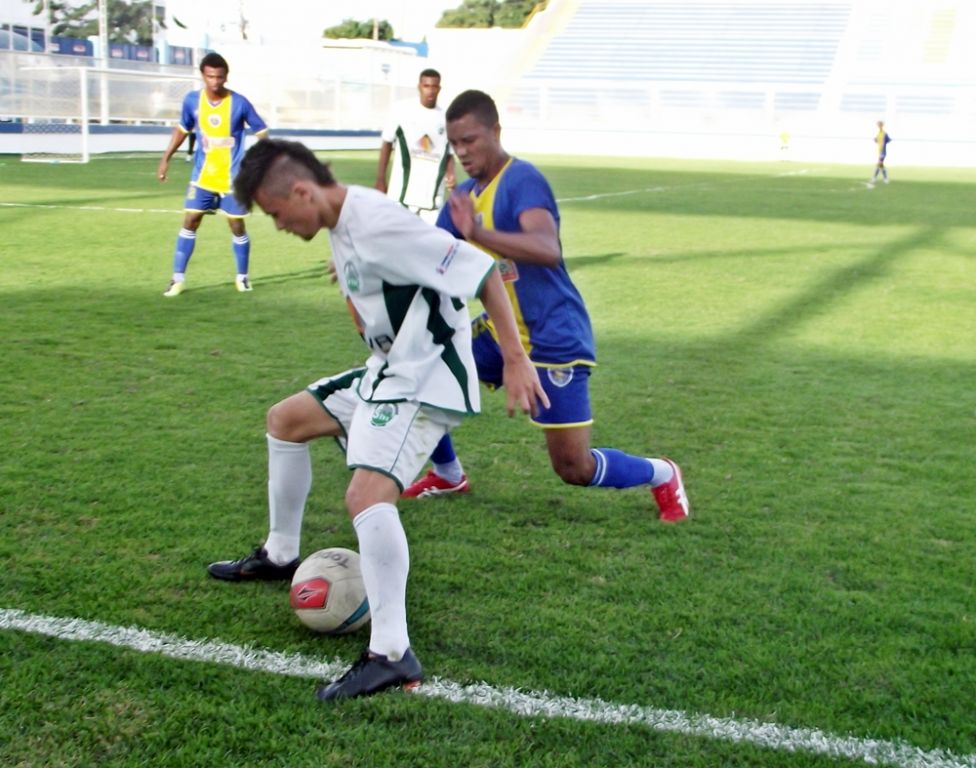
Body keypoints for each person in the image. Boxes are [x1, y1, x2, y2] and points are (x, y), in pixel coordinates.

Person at [207, 139, 547, 701]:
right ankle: (280, 554)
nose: (279, 225)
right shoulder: (343, 222)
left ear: (302, 192)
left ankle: (391, 654)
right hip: (389, 369)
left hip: (426, 377)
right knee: (286, 421)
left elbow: (482, 269)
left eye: (276, 213)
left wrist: (514, 358)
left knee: (366, 497)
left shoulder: (377, 224)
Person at [401, 90, 690, 524]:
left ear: (496, 132)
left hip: (554, 335)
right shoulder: (463, 195)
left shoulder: (522, 180)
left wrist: (477, 233)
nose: (462, 152)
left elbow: (546, 248)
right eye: (454, 143)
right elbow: (426, 248)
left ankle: (662, 473)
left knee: (574, 467)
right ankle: (448, 474)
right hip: (499, 332)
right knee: (421, 371)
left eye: (471, 140)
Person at [157, 52, 269, 297]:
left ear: (226, 77)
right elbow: (182, 129)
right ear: (202, 76)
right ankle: (177, 279)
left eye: (219, 77)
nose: (215, 82)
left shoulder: (239, 103)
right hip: (203, 177)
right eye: (210, 77)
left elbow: (261, 130)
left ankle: (242, 277)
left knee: (236, 225)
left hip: (233, 178)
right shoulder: (191, 101)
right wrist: (166, 158)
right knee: (190, 220)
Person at [374, 68, 455, 224]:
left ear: (439, 88)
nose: (430, 90)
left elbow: (449, 153)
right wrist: (380, 178)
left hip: (432, 201)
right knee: (396, 238)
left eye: (434, 86)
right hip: (401, 197)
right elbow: (387, 143)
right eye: (426, 86)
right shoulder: (401, 110)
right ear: (419, 87)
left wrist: (451, 174)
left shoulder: (447, 118)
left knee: (433, 239)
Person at [869, 120, 891, 186]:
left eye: (880, 125)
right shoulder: (878, 133)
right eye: (878, 125)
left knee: (879, 164)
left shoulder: (884, 133)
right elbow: (876, 140)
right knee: (881, 165)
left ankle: (874, 178)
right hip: (879, 151)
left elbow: (889, 140)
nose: (879, 126)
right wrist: (875, 140)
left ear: (882, 125)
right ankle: (885, 178)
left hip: (883, 151)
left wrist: (884, 142)